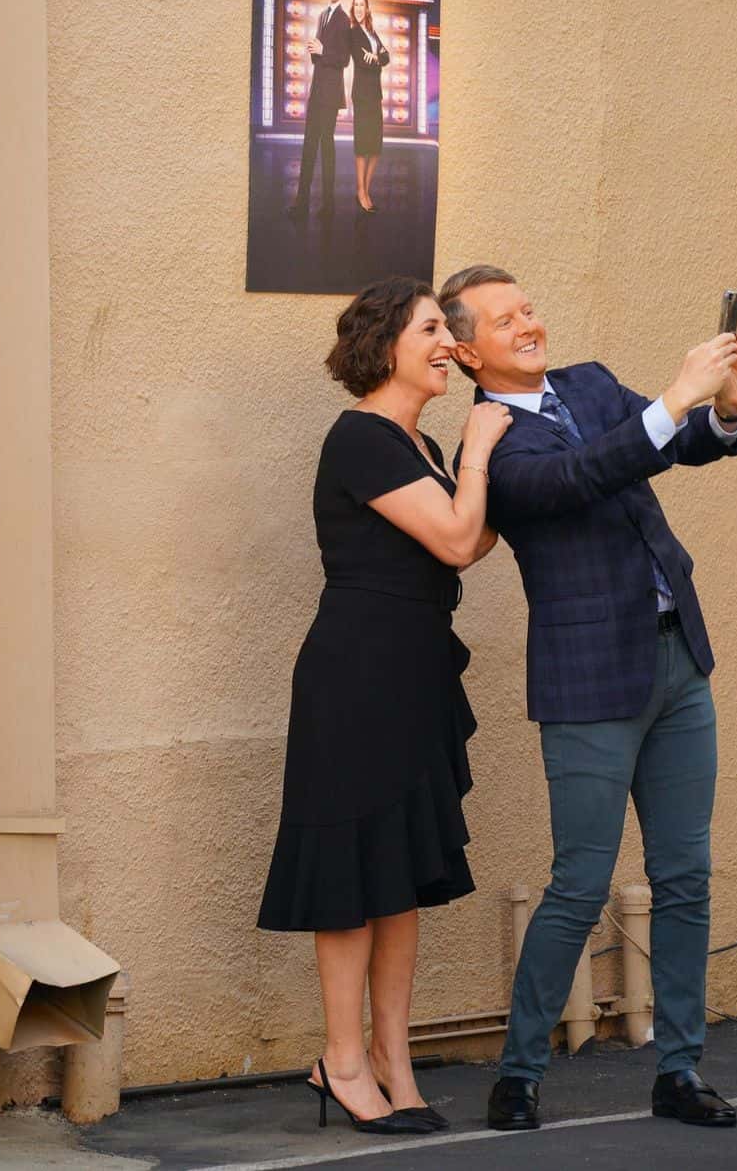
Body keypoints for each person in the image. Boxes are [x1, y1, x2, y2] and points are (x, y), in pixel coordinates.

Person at [438, 264, 737, 1134]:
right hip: (589, 679)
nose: (529, 324)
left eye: (529, 307)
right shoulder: (491, 440)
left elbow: (673, 445)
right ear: (469, 351)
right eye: (506, 320)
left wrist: (720, 408)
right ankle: (520, 1071)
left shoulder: (587, 382)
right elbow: (578, 477)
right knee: (579, 882)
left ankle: (681, 1069)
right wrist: (675, 394)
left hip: (677, 664)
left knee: (685, 876)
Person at [257, 277, 511, 1136]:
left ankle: (396, 1063)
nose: (448, 341)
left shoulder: (421, 446)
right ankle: (342, 1058)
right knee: (351, 875)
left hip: (415, 671)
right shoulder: (362, 438)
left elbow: (470, 542)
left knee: (397, 874)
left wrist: (479, 463)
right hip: (356, 676)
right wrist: (479, 452)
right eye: (433, 328)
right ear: (387, 344)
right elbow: (451, 534)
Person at [287, 0, 350, 222]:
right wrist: (314, 51)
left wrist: (323, 51)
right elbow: (320, 57)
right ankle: (301, 203)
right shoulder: (322, 15)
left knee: (327, 148)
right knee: (309, 146)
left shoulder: (344, 20)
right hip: (317, 91)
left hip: (330, 95)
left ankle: (328, 206)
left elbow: (344, 59)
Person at [348, 0, 390, 215]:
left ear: (367, 8)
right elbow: (362, 62)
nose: (359, 8)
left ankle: (365, 189)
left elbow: (387, 56)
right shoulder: (354, 33)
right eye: (355, 5)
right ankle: (361, 192)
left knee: (375, 147)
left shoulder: (372, 33)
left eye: (362, 4)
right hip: (362, 97)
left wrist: (376, 57)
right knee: (363, 145)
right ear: (353, 9)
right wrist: (377, 59)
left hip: (375, 96)